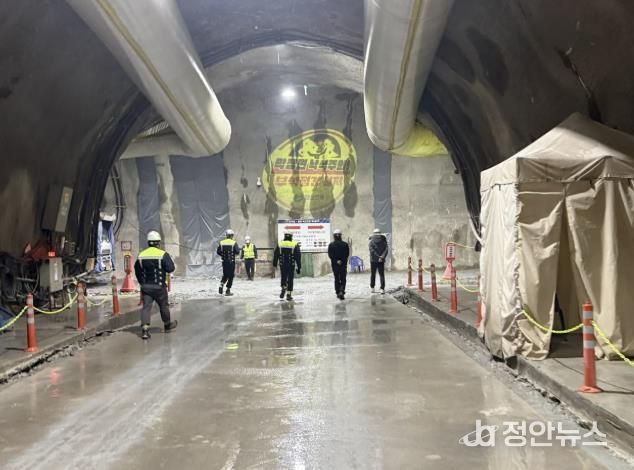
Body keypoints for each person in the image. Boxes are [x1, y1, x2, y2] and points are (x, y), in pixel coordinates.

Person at [134, 231, 177, 340]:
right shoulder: (162, 254)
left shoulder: (141, 255)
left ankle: (145, 330)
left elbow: (137, 270)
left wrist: (142, 282)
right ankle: (167, 325)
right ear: (158, 242)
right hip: (159, 287)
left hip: (146, 287)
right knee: (163, 306)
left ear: (148, 242)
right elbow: (170, 268)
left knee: (146, 307)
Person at [273, 232, 301, 301]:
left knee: (283, 277)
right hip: (291, 264)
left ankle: (283, 286)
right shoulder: (294, 244)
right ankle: (289, 295)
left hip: (282, 264)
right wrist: (299, 267)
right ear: (291, 236)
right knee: (290, 279)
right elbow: (298, 256)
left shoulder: (280, 243)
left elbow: (276, 254)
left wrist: (275, 264)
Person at [217, 229, 240, 296]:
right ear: (232, 235)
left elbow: (218, 252)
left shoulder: (221, 242)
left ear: (226, 235)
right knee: (231, 275)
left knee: (225, 274)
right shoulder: (234, 242)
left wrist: (223, 255)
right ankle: (228, 290)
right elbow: (237, 252)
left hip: (224, 261)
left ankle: (221, 284)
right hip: (231, 262)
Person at [328, 229, 350, 300]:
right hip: (343, 264)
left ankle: (337, 291)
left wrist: (336, 260)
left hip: (335, 264)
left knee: (337, 278)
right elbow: (347, 254)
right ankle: (342, 291)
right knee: (343, 278)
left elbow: (330, 255)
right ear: (340, 236)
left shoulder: (331, 245)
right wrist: (341, 260)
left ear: (334, 236)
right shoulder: (345, 244)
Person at [369, 228, 388, 294]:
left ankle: (372, 287)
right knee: (381, 274)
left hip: (373, 260)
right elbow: (386, 249)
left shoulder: (371, 241)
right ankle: (382, 288)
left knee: (373, 274)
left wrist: (378, 257)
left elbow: (372, 250)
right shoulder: (384, 240)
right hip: (381, 260)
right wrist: (382, 256)